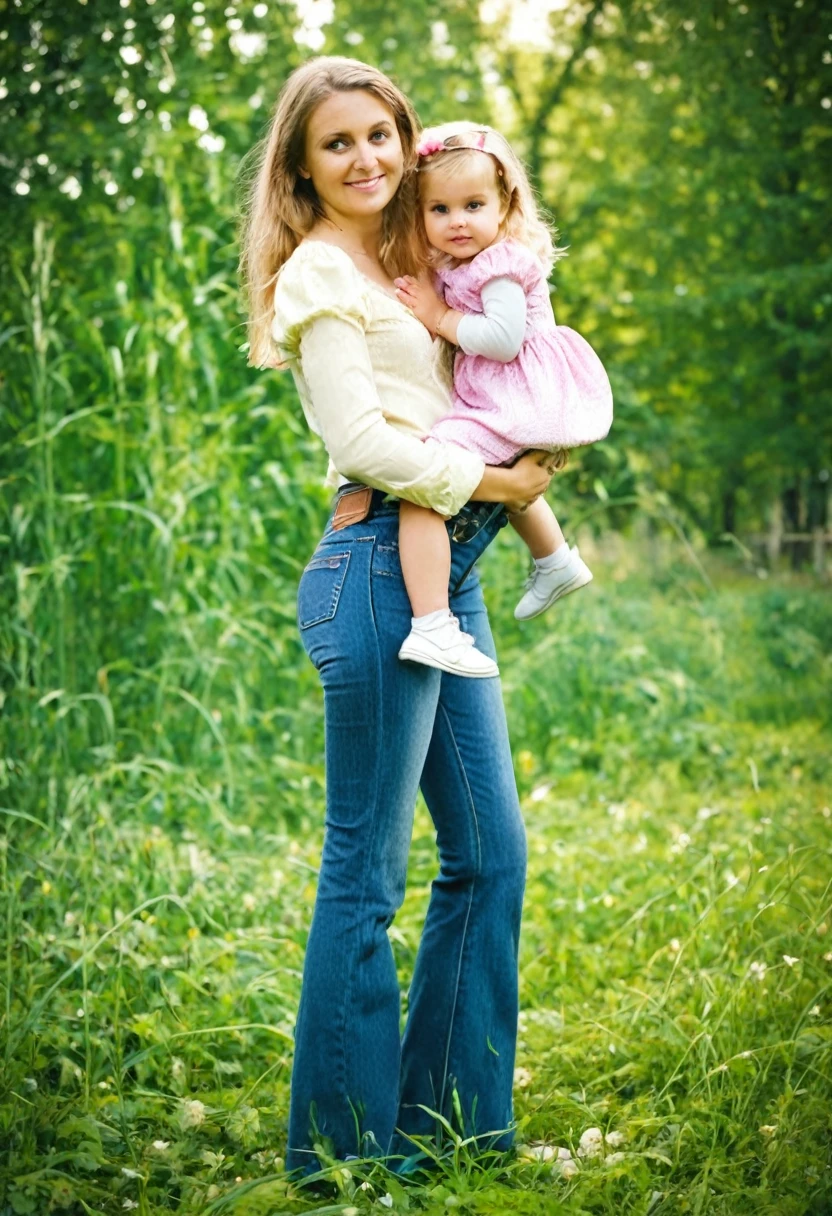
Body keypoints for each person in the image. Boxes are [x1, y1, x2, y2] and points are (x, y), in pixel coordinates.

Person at [240, 58, 559, 1177]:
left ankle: (455, 1128)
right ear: (302, 167)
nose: (367, 157)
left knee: (490, 855)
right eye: (338, 143)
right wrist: (502, 490)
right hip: (376, 568)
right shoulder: (319, 276)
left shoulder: (415, 259)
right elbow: (366, 441)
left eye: (382, 134)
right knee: (365, 875)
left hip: (447, 574)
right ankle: (339, 1159)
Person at [392, 122, 613, 677]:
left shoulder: (501, 264)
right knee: (510, 482)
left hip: (520, 393)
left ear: (504, 203)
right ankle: (556, 560)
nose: (457, 221)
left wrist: (438, 317)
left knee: (427, 474)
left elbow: (503, 337)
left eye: (472, 204)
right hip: (507, 395)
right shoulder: (460, 264)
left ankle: (433, 624)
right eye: (438, 210)